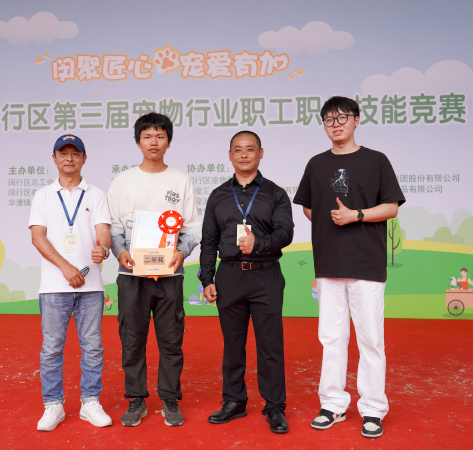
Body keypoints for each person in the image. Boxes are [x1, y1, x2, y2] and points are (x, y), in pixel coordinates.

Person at [293, 96, 405, 439]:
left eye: (342, 117)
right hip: (328, 263)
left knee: (371, 340)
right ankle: (332, 404)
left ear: (357, 120)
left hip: (366, 263)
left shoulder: (376, 160)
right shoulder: (316, 163)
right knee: (332, 339)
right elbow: (308, 207)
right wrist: (330, 220)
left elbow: (391, 207)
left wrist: (355, 215)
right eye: (329, 119)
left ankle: (372, 409)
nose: (336, 124)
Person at [107, 112, 201, 427]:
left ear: (169, 142)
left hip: (169, 275)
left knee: (171, 339)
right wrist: (120, 252)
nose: (154, 142)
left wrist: (181, 252)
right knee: (132, 338)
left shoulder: (180, 181)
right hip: (131, 275)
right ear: (138, 142)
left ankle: (170, 399)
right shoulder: (122, 181)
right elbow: (114, 227)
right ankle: (136, 398)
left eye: (160, 136)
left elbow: (192, 228)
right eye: (147, 136)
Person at [199, 130, 294, 434]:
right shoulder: (218, 195)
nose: (244, 154)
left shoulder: (276, 193)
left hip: (266, 274)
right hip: (229, 275)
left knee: (270, 344)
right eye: (238, 149)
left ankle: (275, 407)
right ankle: (234, 401)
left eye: (250, 149)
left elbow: (286, 233)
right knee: (232, 344)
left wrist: (259, 244)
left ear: (260, 153)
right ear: (230, 155)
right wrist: (207, 278)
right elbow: (209, 240)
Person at [29, 134, 113, 431]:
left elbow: (103, 232)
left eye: (74, 153)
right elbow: (37, 236)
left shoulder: (96, 194)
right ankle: (53, 405)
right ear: (54, 158)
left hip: (91, 287)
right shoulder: (43, 195)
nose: (69, 158)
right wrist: (65, 267)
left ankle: (90, 402)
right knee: (52, 348)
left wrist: (103, 248)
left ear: (84, 158)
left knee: (93, 347)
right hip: (54, 286)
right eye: (63, 153)